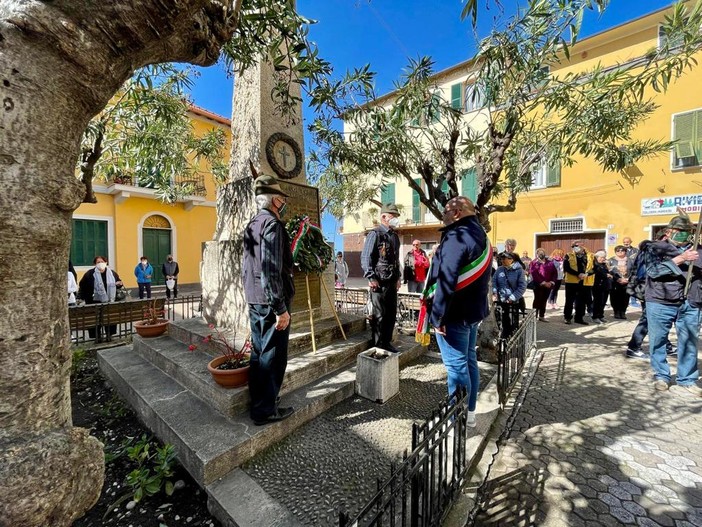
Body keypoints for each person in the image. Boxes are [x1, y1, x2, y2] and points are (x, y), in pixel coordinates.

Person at [424, 196, 492, 428]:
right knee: (468, 361)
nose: (442, 214)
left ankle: (457, 421)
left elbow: (447, 280)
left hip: (453, 315)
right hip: (472, 312)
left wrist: (438, 317)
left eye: (445, 210)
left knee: (456, 368)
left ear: (456, 212)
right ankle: (469, 413)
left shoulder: (456, 235)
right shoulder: (480, 233)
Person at [243, 174, 296, 425]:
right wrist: (280, 308)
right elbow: (270, 269)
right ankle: (266, 410)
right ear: (275, 200)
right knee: (273, 356)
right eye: (282, 197)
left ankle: (259, 403)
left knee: (259, 353)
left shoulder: (253, 223)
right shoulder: (272, 225)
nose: (284, 201)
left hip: (255, 298)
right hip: (269, 301)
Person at [643, 211, 702, 395]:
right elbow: (653, 271)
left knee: (689, 341)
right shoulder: (655, 248)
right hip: (661, 300)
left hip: (691, 301)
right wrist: (681, 259)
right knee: (658, 340)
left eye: (686, 230)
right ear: (669, 231)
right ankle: (662, 375)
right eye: (679, 230)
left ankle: (687, 379)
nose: (683, 233)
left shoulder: (698, 249)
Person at [361, 202, 402, 353]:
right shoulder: (375, 234)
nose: (396, 219)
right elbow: (366, 257)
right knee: (379, 315)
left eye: (396, 216)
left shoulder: (394, 237)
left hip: (391, 281)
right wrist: (371, 278)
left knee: (391, 314)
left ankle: (386, 342)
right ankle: (378, 345)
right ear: (384, 217)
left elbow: (396, 260)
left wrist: (398, 278)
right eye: (393, 216)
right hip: (378, 282)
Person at [625, 239, 675, 359]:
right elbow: (644, 274)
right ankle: (633, 347)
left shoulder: (647, 252)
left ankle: (666, 346)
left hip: (651, 290)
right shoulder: (649, 253)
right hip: (649, 290)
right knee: (647, 319)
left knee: (658, 320)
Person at [78, 256, 124, 341]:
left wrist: (119, 284)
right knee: (94, 320)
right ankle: (97, 336)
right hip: (93, 301)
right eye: (98, 262)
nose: (100, 264)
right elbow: (82, 285)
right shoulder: (90, 274)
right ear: (95, 264)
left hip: (109, 300)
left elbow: (118, 283)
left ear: (106, 262)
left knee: (109, 318)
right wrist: (82, 297)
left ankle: (109, 335)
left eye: (102, 261)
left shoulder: (112, 273)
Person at [493, 252, 527, 338]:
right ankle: (504, 339)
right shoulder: (499, 269)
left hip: (513, 302)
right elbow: (494, 282)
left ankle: (512, 340)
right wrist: (495, 293)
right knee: (503, 321)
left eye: (505, 258)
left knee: (512, 323)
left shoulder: (519, 270)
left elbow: (522, 286)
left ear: (512, 260)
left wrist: (512, 298)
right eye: (502, 259)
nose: (502, 260)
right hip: (501, 300)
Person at [563, 241, 594, 325]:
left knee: (581, 301)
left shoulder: (590, 255)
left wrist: (586, 274)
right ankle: (567, 317)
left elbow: (594, 268)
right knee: (569, 300)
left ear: (582, 246)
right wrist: (578, 274)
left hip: (585, 281)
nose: (574, 247)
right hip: (571, 281)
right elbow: (566, 267)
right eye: (572, 246)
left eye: (576, 246)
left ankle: (579, 318)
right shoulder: (568, 255)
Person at [529, 248, 557, 322]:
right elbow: (533, 273)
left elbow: (555, 273)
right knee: (537, 300)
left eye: (543, 252)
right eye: (539, 253)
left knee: (544, 300)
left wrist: (551, 282)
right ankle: (534, 317)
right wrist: (543, 282)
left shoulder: (550, 263)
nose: (541, 254)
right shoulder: (534, 263)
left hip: (548, 285)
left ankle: (542, 316)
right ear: (537, 254)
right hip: (538, 285)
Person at [608, 245, 634, 319]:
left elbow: (634, 271)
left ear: (625, 252)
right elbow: (609, 271)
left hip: (627, 282)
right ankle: (616, 312)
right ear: (615, 252)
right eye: (618, 251)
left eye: (622, 250)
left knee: (625, 298)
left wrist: (628, 279)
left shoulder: (631, 260)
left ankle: (623, 312)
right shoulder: (611, 260)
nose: (620, 252)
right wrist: (617, 279)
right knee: (614, 298)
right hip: (615, 282)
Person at [592, 250, 612, 324]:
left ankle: (601, 315)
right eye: (601, 257)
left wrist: (608, 270)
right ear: (597, 257)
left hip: (605, 285)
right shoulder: (595, 264)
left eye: (604, 257)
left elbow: (609, 272)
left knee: (603, 301)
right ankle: (595, 316)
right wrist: (606, 275)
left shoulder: (604, 265)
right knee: (597, 301)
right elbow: (597, 273)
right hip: (597, 285)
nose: (603, 259)